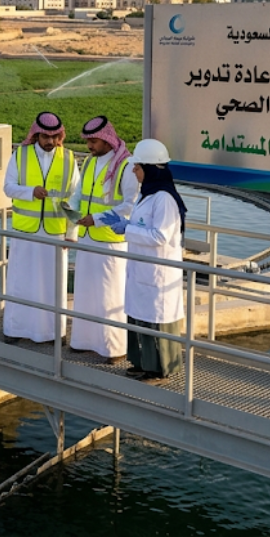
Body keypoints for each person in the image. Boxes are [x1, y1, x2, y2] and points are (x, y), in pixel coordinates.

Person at [99, 138, 187, 383]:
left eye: (137, 167)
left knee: (155, 323)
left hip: (157, 273)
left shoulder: (164, 199)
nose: (134, 171)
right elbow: (143, 225)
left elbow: (161, 235)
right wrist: (127, 225)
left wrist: (126, 230)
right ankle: (142, 364)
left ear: (149, 168)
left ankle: (160, 369)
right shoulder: (147, 195)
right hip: (142, 269)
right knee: (140, 318)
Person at [2, 111, 80, 344]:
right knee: (20, 282)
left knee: (53, 286)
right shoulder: (20, 155)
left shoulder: (69, 158)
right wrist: (30, 192)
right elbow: (8, 187)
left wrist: (71, 233)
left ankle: (53, 334)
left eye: (55, 137)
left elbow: (76, 198)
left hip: (55, 233)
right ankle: (15, 330)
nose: (50, 142)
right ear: (36, 134)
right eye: (46, 136)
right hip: (25, 231)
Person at [69, 117, 139, 364]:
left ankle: (114, 348)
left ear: (108, 139)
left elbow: (131, 207)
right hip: (88, 240)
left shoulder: (127, 166)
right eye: (87, 141)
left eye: (94, 141)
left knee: (110, 296)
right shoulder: (89, 162)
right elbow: (79, 195)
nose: (89, 145)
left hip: (111, 242)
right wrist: (71, 211)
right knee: (86, 293)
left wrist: (96, 219)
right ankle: (83, 341)